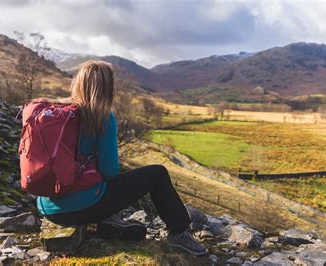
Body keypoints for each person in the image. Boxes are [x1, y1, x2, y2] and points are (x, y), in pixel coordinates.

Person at [36, 60, 208, 256]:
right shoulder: (102, 117)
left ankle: (108, 221)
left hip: (48, 207)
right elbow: (110, 171)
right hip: (81, 208)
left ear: (78, 82)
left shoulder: (57, 114)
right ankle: (179, 233)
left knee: (95, 179)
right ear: (107, 88)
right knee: (157, 173)